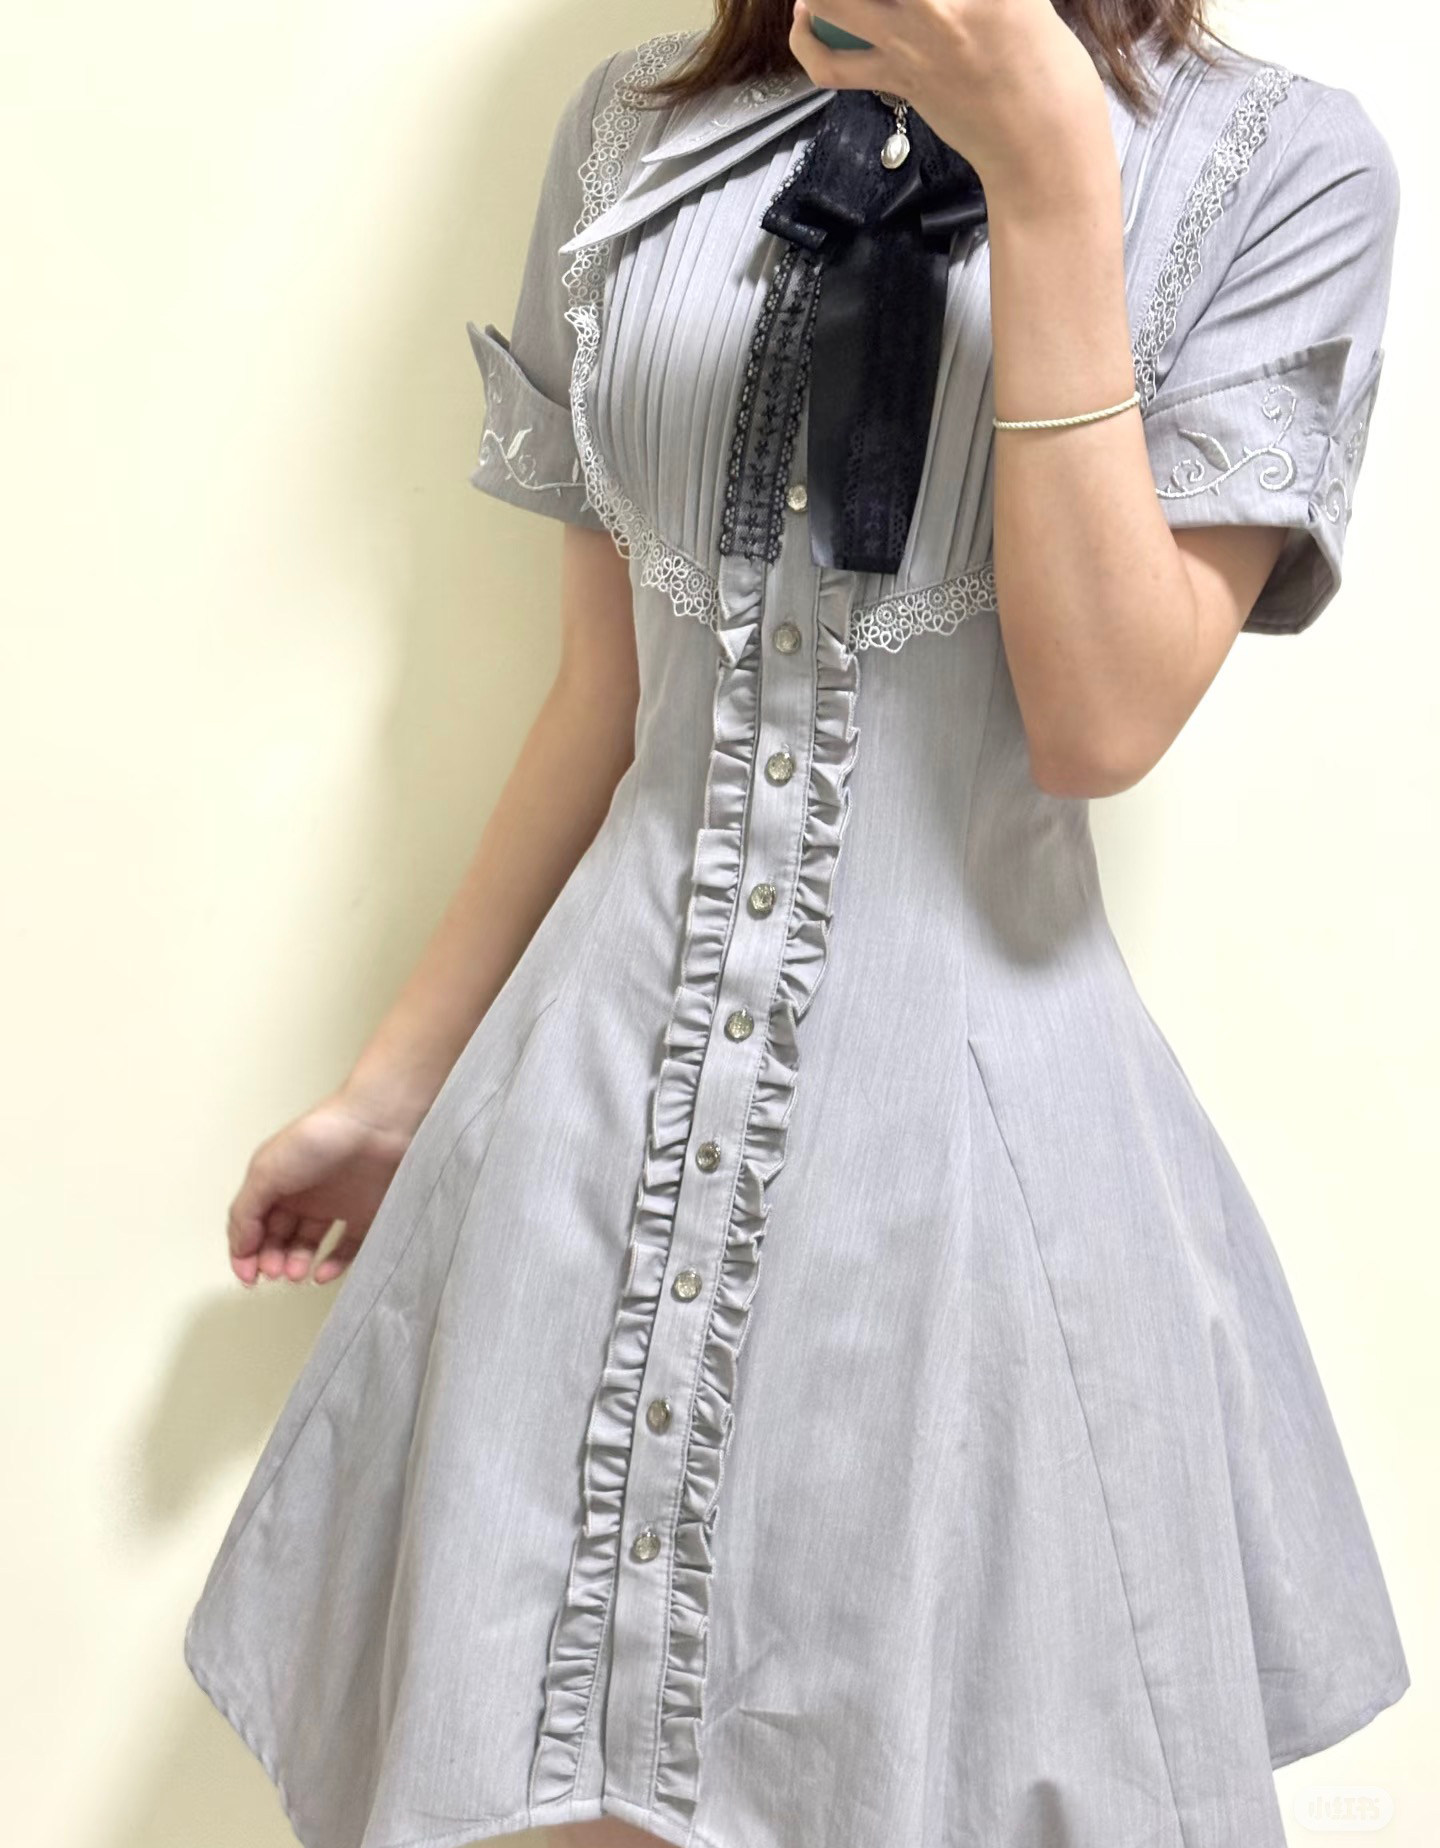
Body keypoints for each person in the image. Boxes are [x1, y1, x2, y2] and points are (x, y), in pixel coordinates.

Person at [183, 4, 1410, 1846]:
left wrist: (1048, 172)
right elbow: (608, 697)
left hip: (959, 1210)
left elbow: (1099, 720)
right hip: (576, 1158)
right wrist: (396, 1087)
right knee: (552, 1771)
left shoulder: (1279, 167)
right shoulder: (633, 136)